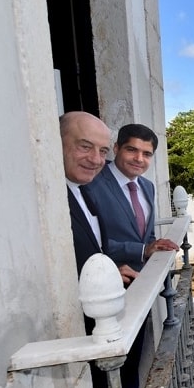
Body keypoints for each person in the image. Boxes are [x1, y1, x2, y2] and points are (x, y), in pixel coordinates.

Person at [87, 123, 178, 271]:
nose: (139, 159)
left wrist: (156, 246)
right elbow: (88, 240)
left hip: (143, 278)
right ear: (116, 148)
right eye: (131, 150)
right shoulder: (91, 183)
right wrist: (142, 250)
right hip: (108, 277)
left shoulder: (148, 186)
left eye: (147, 154)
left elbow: (148, 235)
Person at [60, 111, 137, 284]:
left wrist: (110, 272)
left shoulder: (84, 190)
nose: (96, 160)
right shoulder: (45, 200)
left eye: (103, 151)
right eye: (85, 147)